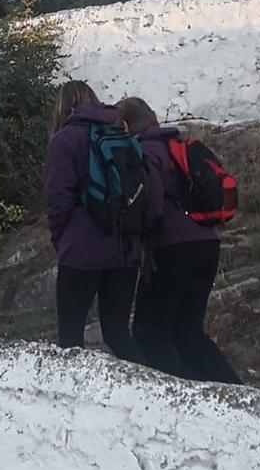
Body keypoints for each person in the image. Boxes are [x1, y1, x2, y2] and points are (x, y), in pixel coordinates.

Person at [121, 97, 241, 385]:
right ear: (153, 116)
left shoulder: (145, 151)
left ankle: (177, 397)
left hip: (172, 247)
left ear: (124, 126)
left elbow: (152, 203)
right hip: (208, 242)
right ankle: (232, 390)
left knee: (150, 330)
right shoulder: (179, 146)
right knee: (188, 329)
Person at [42, 80, 142, 358]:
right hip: (125, 247)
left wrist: (61, 239)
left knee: (71, 336)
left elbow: (58, 197)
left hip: (82, 250)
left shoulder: (65, 139)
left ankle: (74, 398)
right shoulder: (122, 133)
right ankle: (144, 390)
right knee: (118, 332)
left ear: (63, 106)